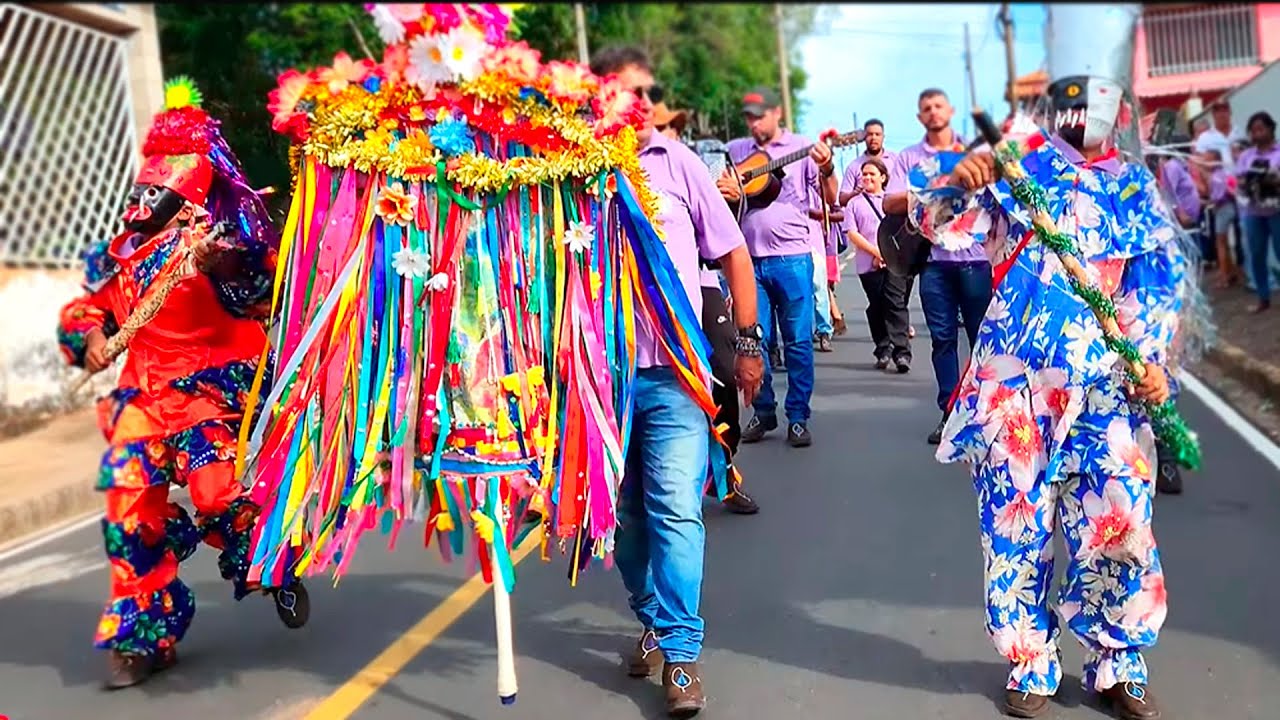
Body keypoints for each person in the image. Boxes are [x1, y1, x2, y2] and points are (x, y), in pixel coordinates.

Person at [907, 6, 1191, 716]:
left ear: (1118, 109)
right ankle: (1030, 660)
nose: (1083, 114)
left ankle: (1118, 660)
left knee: (1120, 519)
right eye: (1070, 100)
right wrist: (960, 178)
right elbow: (935, 224)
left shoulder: (1134, 189)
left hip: (1108, 390)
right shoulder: (1012, 170)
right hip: (1016, 389)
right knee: (1015, 522)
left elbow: (1158, 284)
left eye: (1097, 100)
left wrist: (1155, 360)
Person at [56, 78, 306, 690]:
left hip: (207, 394)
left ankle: (267, 557)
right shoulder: (121, 256)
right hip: (142, 402)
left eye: (156, 193)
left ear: (186, 200)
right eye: (142, 190)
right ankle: (146, 638)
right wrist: (87, 334)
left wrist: (227, 265)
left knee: (219, 493)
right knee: (128, 519)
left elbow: (261, 292)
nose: (143, 201)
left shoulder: (223, 245)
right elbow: (88, 309)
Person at [591, 45, 764, 717]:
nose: (629, 105)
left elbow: (734, 256)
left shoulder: (679, 164)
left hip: (675, 376)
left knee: (674, 509)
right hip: (599, 379)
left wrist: (747, 346)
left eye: (641, 94)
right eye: (615, 92)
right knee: (622, 519)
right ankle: (653, 619)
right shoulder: (570, 173)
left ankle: (682, 655)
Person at [720, 86, 839, 448]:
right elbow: (720, 193)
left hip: (793, 258)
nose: (754, 124)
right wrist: (731, 190)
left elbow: (831, 197)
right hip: (747, 261)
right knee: (756, 341)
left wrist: (829, 167)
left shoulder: (803, 148)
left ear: (777, 115)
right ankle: (764, 411)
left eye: (760, 116)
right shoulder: (737, 151)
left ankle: (798, 417)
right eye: (749, 118)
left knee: (799, 342)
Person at [884, 89, 992, 445]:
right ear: (920, 117)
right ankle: (950, 412)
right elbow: (889, 202)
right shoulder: (909, 158)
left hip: (976, 261)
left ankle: (985, 413)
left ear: (951, 111)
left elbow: (999, 198)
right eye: (926, 108)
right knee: (943, 340)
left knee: (983, 341)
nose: (933, 112)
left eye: (938, 106)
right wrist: (929, 190)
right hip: (933, 264)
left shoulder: (976, 154)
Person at [842, 157, 912, 370]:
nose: (867, 177)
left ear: (883, 177)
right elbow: (852, 233)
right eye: (864, 174)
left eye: (872, 174)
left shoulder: (893, 201)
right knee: (877, 305)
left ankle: (902, 353)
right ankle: (883, 348)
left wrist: (888, 255)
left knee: (895, 302)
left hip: (896, 262)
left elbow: (905, 229)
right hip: (867, 264)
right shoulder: (854, 203)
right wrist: (876, 253)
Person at [1236, 111, 1280, 312]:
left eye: (1261, 129)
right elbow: (1239, 181)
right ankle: (1263, 298)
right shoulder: (1246, 156)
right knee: (1257, 255)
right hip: (1253, 211)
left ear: (1271, 129)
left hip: (1276, 210)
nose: (1257, 133)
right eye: (1253, 130)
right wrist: (1248, 181)